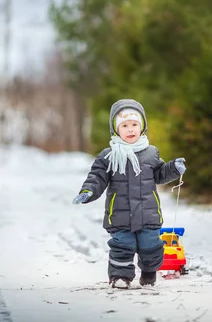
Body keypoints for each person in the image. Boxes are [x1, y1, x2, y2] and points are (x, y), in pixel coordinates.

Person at [72, 99, 186, 289]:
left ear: (142, 127)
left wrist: (174, 168)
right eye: (125, 125)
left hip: (148, 212)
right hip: (120, 214)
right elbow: (97, 178)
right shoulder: (108, 155)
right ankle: (120, 277)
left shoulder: (151, 153)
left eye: (135, 124)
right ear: (116, 130)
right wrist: (87, 191)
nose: (130, 129)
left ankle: (149, 273)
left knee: (150, 246)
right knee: (122, 246)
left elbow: (159, 174)